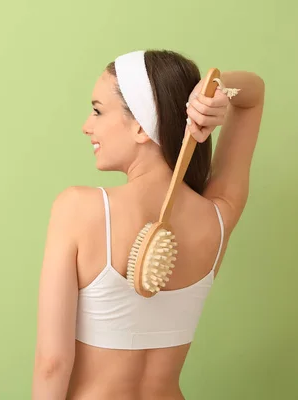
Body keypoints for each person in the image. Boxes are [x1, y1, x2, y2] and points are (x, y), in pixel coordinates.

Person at [31, 49, 265, 399]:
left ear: (141, 124)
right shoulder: (218, 216)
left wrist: (210, 90)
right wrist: (219, 86)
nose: (86, 125)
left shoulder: (78, 208)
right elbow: (253, 96)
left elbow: (53, 362)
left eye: (97, 110)